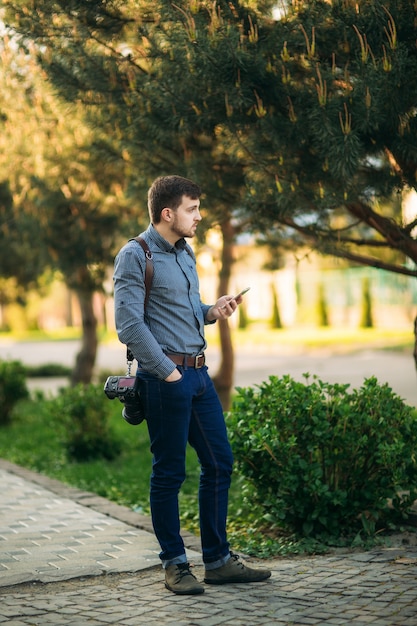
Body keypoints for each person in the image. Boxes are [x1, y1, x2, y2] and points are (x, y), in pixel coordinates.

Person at [113, 175, 271, 595]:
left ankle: (218, 561)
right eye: (192, 208)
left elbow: (183, 311)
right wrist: (167, 372)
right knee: (169, 473)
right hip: (166, 379)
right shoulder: (135, 255)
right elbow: (129, 323)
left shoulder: (186, 253)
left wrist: (212, 311)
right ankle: (175, 564)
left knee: (219, 462)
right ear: (168, 213)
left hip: (199, 377)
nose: (199, 216)